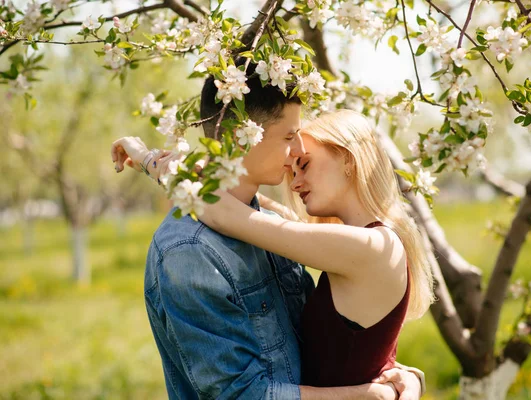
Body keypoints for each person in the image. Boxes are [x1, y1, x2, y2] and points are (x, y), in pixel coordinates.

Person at [112, 63, 427, 399]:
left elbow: (227, 214)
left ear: (349, 160)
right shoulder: (193, 249)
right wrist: (380, 391)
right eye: (289, 141)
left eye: (304, 161)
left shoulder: (365, 246)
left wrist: (155, 163)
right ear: (242, 137)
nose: (296, 166)